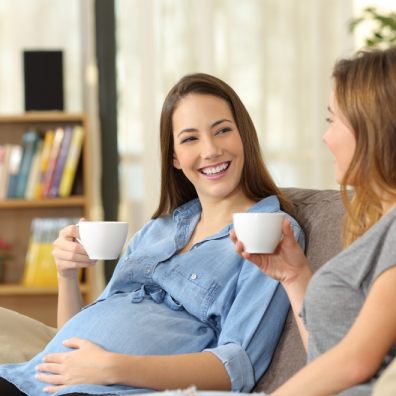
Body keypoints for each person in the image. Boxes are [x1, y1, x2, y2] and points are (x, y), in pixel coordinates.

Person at [0, 73, 304, 396]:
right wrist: (67, 275)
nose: (211, 150)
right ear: (174, 157)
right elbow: (73, 340)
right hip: (31, 379)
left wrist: (111, 367)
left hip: (103, 391)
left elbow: (237, 365)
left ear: (244, 135)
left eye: (223, 131)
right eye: (190, 139)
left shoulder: (270, 231)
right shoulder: (157, 230)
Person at [231, 46, 396, 395]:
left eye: (332, 120)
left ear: (372, 126)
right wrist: (294, 275)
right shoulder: (382, 226)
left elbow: (356, 362)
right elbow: (330, 357)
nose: (326, 136)